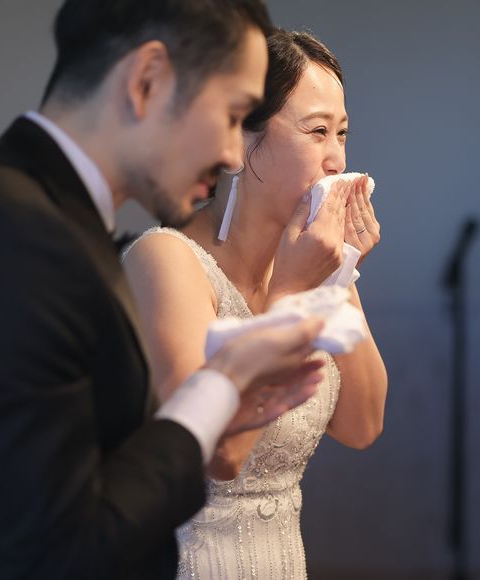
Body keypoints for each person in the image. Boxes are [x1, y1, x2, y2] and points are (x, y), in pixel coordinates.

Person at [0, 4, 332, 579]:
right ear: (147, 81)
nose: (234, 154)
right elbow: (59, 547)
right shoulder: (16, 233)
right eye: (232, 114)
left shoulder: (37, 215)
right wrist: (220, 386)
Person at [123, 29, 388, 578]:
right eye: (317, 131)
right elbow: (220, 456)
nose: (337, 159)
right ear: (240, 140)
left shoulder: (319, 266)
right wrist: (290, 293)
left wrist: (338, 275)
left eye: (342, 133)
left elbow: (362, 425)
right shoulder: (165, 259)